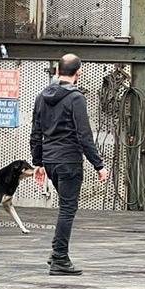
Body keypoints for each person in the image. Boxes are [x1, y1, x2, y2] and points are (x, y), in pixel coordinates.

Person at [30, 54, 109, 276]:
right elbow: (84, 135)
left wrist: (38, 162)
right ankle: (59, 258)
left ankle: (57, 252)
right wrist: (99, 165)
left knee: (65, 207)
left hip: (51, 161)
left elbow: (35, 132)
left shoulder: (41, 96)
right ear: (79, 72)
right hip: (69, 161)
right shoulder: (76, 98)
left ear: (56, 71)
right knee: (67, 209)